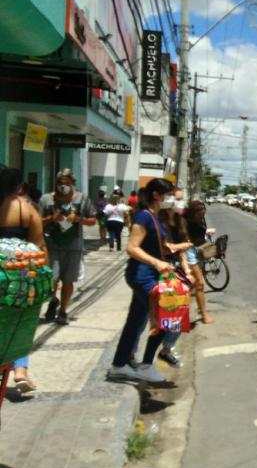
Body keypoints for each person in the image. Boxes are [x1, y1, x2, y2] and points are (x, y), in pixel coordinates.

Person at [108, 178, 183, 383]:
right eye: (168, 196)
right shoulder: (144, 216)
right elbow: (132, 247)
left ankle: (119, 364)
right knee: (167, 316)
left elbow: (153, 245)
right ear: (156, 195)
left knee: (134, 322)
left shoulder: (155, 217)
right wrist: (157, 263)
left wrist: (172, 249)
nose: (171, 200)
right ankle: (147, 365)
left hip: (148, 274)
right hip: (143, 275)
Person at [0, 167, 46, 393]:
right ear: (18, 186)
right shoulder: (25, 209)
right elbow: (40, 247)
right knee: (21, 322)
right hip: (17, 277)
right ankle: (20, 371)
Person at [39, 169, 96, 325]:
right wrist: (52, 218)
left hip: (73, 246)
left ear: (72, 183)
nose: (63, 186)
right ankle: (53, 300)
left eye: (67, 183)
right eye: (61, 183)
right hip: (52, 245)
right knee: (52, 278)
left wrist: (78, 219)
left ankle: (63, 311)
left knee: (68, 280)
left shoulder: (81, 199)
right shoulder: (46, 200)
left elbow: (92, 220)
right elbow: (37, 222)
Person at [156, 198, 193, 367]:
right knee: (168, 312)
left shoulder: (180, 224)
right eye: (176, 200)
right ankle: (163, 350)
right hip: (164, 270)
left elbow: (182, 254)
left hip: (177, 271)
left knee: (179, 312)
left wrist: (188, 271)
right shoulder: (159, 225)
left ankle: (167, 349)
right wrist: (181, 246)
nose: (180, 203)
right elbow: (164, 247)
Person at [182, 200, 214, 325]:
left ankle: (192, 312)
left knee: (194, 284)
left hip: (200, 250)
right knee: (199, 283)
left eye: (203, 214)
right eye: (200, 214)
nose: (202, 216)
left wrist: (207, 233)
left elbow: (199, 233)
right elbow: (183, 235)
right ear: (193, 212)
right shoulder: (184, 220)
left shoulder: (201, 219)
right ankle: (203, 314)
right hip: (189, 250)